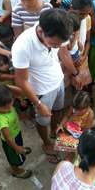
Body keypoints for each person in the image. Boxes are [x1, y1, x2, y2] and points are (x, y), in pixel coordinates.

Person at [12, 9, 82, 163]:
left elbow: (64, 54)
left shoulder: (59, 32)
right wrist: (38, 103)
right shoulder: (22, 46)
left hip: (58, 81)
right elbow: (21, 81)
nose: (57, 46)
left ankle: (55, 130)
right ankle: (46, 143)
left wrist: (75, 74)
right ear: (41, 31)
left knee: (58, 111)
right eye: (53, 44)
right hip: (41, 91)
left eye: (59, 43)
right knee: (43, 120)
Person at [0, 84, 33, 179]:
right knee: (14, 158)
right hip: (11, 141)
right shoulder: (1, 120)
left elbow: (20, 91)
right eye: (5, 108)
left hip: (16, 133)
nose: (9, 108)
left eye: (11, 103)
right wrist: (17, 148)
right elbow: (8, 139)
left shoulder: (5, 102)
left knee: (18, 148)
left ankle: (20, 148)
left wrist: (4, 86)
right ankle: (16, 171)